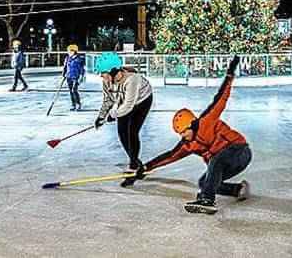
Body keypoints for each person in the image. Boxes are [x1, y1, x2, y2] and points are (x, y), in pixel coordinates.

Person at [140, 56, 251, 214]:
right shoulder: (188, 144)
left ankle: (207, 200)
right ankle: (238, 189)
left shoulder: (208, 120)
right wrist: (145, 168)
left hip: (239, 151)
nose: (183, 136)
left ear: (191, 124)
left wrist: (230, 74)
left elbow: (222, 97)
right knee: (203, 182)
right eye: (180, 134)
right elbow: (170, 156)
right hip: (223, 163)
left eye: (184, 131)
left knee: (216, 159)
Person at [93, 52, 154, 186]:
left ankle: (133, 166)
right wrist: (101, 116)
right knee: (122, 133)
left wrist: (112, 115)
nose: (101, 76)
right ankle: (138, 164)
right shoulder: (107, 82)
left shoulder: (132, 79)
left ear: (113, 71)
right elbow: (108, 100)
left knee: (132, 131)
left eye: (103, 72)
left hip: (142, 100)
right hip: (125, 102)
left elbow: (128, 106)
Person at [61, 44, 85, 111]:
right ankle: (73, 104)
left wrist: (81, 76)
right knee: (70, 91)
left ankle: (78, 103)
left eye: (70, 51)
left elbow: (82, 69)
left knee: (74, 90)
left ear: (74, 51)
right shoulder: (67, 58)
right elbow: (65, 67)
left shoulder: (79, 59)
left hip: (76, 76)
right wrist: (63, 74)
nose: (68, 52)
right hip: (69, 76)